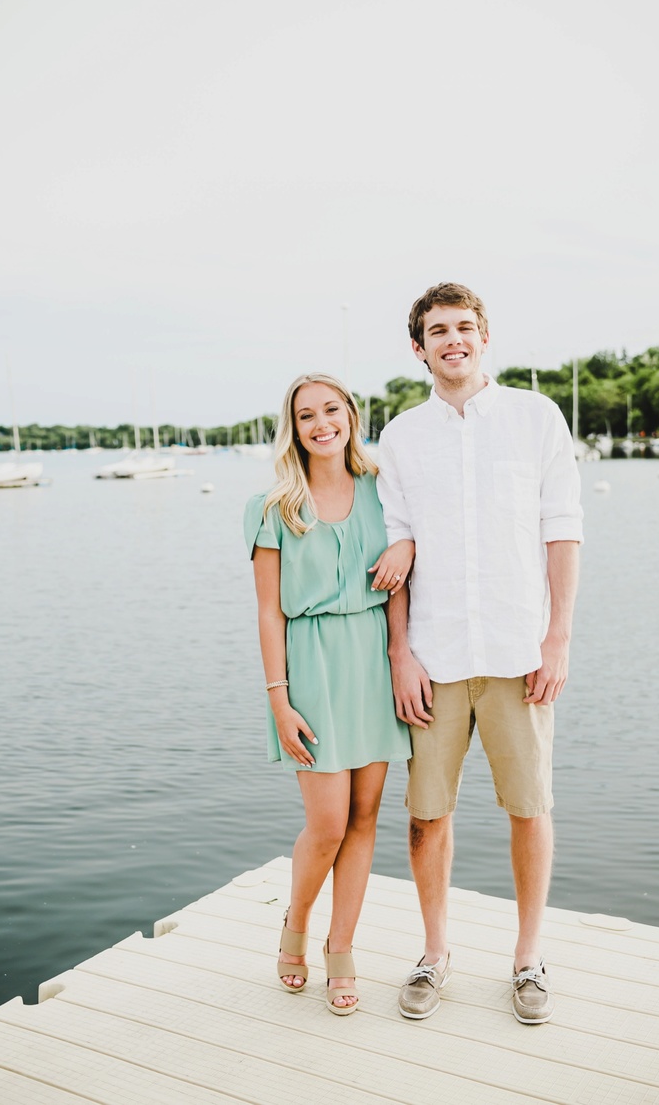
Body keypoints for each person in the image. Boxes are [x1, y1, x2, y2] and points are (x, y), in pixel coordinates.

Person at [376, 282, 582, 1025]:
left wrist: (557, 636)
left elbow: (563, 529)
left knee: (530, 808)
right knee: (428, 815)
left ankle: (528, 958)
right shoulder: (400, 436)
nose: (452, 339)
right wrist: (401, 651)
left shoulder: (537, 417)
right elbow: (395, 549)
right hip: (433, 656)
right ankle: (435, 952)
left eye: (464, 327)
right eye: (438, 330)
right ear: (419, 347)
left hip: (518, 649)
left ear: (484, 337)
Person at [246, 372, 412, 1015]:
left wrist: (410, 544)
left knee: (366, 818)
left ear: (350, 415)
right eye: (307, 414)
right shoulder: (273, 507)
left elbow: (409, 562)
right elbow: (268, 614)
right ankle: (296, 925)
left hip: (374, 662)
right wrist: (278, 699)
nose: (322, 422)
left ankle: (341, 949)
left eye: (332, 409)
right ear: (294, 427)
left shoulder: (384, 489)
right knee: (327, 823)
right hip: (311, 669)